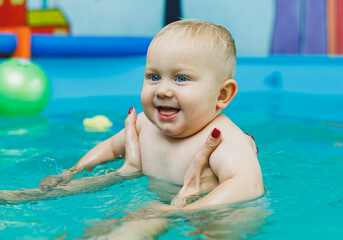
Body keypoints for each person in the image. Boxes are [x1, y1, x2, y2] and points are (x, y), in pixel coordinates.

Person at [38, 19, 264, 209]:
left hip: (210, 221)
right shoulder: (145, 125)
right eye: (154, 77)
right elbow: (110, 148)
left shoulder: (222, 139)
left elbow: (247, 185)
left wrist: (185, 212)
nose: (162, 90)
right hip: (157, 206)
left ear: (222, 94)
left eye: (181, 78)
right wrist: (72, 172)